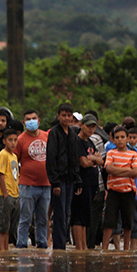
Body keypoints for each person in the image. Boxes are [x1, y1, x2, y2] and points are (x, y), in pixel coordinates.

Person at [46, 103, 81, 251]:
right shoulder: (54, 133)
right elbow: (51, 158)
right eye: (64, 115)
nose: (66, 118)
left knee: (67, 213)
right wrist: (54, 183)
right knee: (59, 214)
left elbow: (75, 158)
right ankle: (59, 247)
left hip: (70, 179)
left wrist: (78, 180)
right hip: (59, 179)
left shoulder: (73, 134)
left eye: (69, 116)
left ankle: (63, 245)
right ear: (58, 116)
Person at [15, 109, 50, 249]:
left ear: (39, 120)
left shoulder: (47, 136)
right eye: (28, 119)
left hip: (46, 184)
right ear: (24, 123)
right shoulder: (20, 140)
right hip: (27, 185)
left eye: (33, 118)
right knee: (25, 219)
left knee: (43, 219)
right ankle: (21, 245)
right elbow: (14, 161)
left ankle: (42, 245)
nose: (31, 121)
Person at [103, 125, 137, 251]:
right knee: (109, 222)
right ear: (113, 139)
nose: (120, 140)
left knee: (128, 223)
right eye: (117, 137)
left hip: (128, 191)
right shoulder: (111, 153)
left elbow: (135, 172)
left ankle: (126, 250)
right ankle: (105, 249)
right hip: (113, 191)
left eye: (122, 137)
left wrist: (117, 170)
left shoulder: (133, 154)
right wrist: (127, 170)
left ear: (127, 139)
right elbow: (108, 169)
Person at [74, 114, 103, 251]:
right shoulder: (78, 141)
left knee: (86, 217)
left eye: (93, 127)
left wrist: (93, 159)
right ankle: (79, 247)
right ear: (82, 125)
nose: (91, 129)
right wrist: (93, 159)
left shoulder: (90, 142)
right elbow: (84, 163)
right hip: (82, 183)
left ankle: (84, 246)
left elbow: (101, 160)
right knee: (79, 217)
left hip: (92, 184)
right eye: (88, 126)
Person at [0, 123, 22, 250]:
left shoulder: (14, 156)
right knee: (2, 226)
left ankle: (6, 249)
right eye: (10, 140)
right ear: (4, 141)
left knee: (9, 227)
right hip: (4, 194)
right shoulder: (3, 154)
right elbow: (0, 175)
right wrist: (5, 194)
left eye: (15, 140)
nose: (13, 143)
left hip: (15, 194)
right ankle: (2, 250)